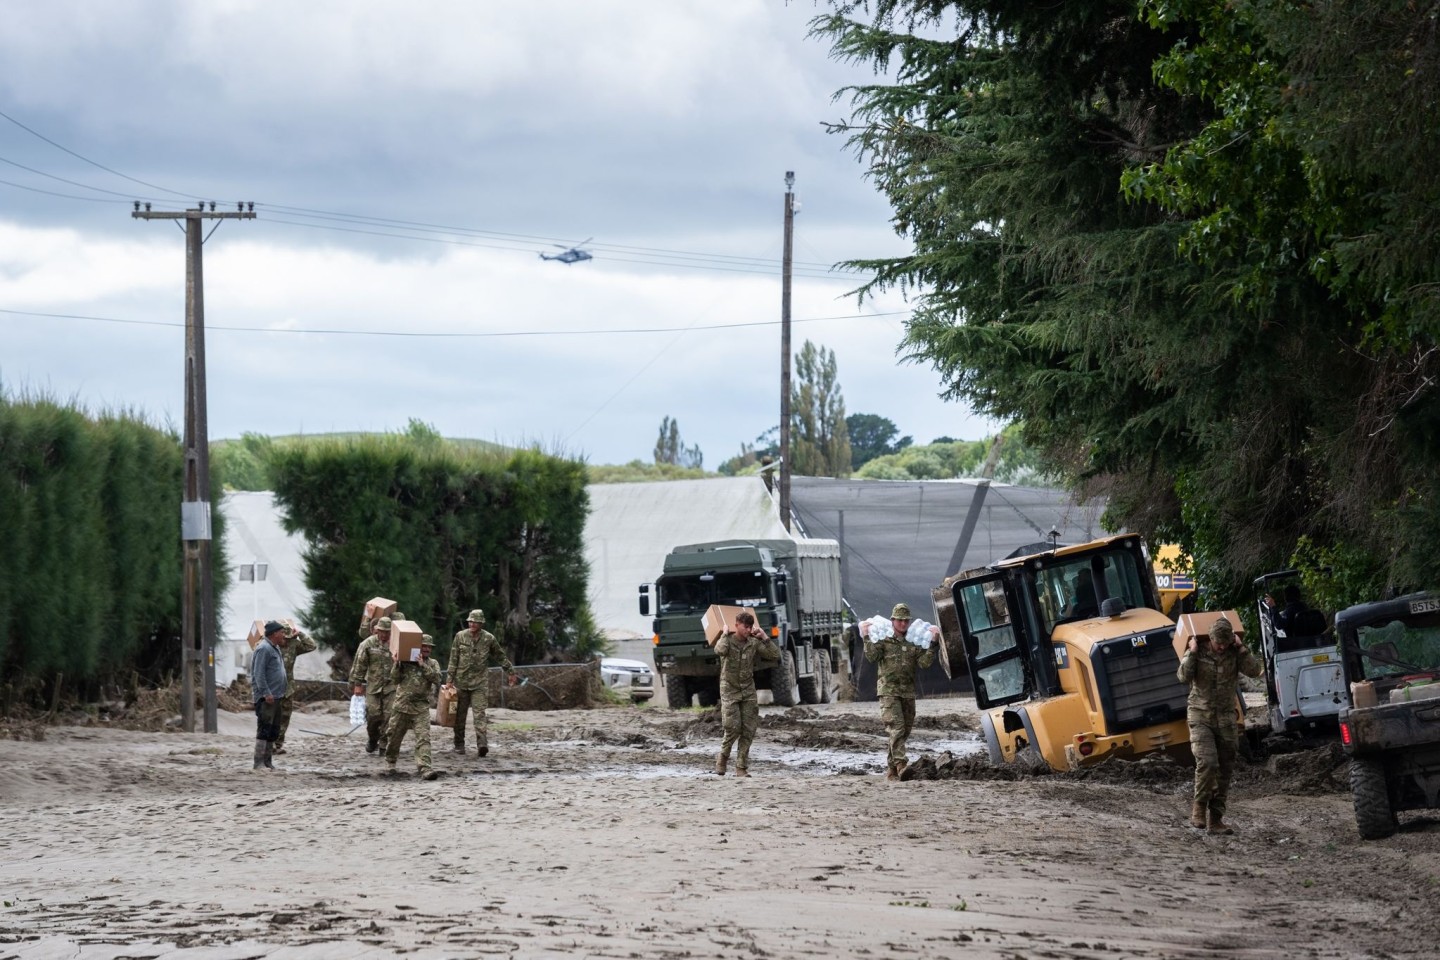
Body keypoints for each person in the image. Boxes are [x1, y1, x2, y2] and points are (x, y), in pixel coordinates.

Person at [1176, 616, 1262, 834]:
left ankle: (1216, 819)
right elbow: (1183, 676)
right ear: (1211, 639)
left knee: (1225, 768)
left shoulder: (1234, 652)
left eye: (1225, 643)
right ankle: (1198, 808)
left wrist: (1242, 649)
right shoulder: (1198, 650)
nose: (1221, 647)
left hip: (1225, 717)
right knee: (1207, 762)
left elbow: (1254, 671)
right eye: (1218, 643)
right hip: (1200, 715)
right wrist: (1192, 652)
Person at [862, 603, 939, 780]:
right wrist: (866, 636)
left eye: (906, 621)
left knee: (904, 731)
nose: (903, 624)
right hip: (888, 692)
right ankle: (902, 765)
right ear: (893, 621)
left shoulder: (914, 641)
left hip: (908, 692)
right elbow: (872, 656)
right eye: (899, 621)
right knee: (896, 728)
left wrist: (933, 643)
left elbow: (924, 663)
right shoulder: (883, 639)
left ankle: (892, 770)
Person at [711, 610, 781, 777]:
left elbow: (775, 655)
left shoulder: (753, 642)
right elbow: (719, 650)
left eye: (750, 627)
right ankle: (723, 757)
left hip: (748, 690)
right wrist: (724, 634)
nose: (748, 630)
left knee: (749, 729)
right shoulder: (727, 641)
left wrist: (764, 636)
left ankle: (741, 767)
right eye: (745, 627)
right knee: (733, 728)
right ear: (736, 625)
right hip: (729, 690)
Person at [443, 608, 516, 758]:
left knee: (479, 714)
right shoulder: (460, 637)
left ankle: (482, 744)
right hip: (461, 683)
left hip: (480, 684)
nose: (471, 624)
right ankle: (459, 744)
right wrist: (449, 680)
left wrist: (510, 671)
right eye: (470, 621)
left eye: (475, 621)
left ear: (481, 623)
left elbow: (500, 656)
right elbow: (453, 659)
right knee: (459, 716)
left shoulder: (489, 639)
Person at [384, 633, 442, 780]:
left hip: (421, 708)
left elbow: (437, 679)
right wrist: (396, 664)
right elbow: (394, 679)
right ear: (418, 647)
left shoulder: (433, 663)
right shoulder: (405, 661)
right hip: (402, 706)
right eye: (424, 646)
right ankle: (391, 762)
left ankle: (425, 768)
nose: (427, 649)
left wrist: (423, 666)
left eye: (429, 647)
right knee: (394, 737)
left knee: (423, 738)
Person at [350, 615, 397, 753]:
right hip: (373, 687)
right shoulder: (368, 644)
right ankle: (372, 739)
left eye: (387, 632)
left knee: (389, 717)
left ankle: (383, 745)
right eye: (381, 631)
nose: (384, 634)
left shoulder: (396, 644)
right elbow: (360, 665)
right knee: (373, 716)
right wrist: (357, 684)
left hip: (391, 687)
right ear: (377, 630)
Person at [272, 621, 318, 755]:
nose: (284, 640)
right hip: (272, 687)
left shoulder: (293, 645)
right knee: (272, 716)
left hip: (288, 687)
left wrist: (300, 634)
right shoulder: (270, 646)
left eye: (287, 638)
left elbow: (312, 646)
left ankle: (278, 744)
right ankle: (269, 744)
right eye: (283, 637)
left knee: (285, 716)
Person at [250, 621, 288, 771]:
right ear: (274, 634)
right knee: (264, 729)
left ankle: (268, 762)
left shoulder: (275, 647)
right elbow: (258, 674)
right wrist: (266, 693)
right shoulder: (263, 649)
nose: (284, 635)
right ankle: (258, 763)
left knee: (273, 730)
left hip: (277, 696)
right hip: (267, 698)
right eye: (282, 632)